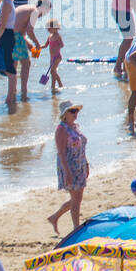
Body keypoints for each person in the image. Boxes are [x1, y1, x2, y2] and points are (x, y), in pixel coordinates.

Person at [50, 101, 88, 235]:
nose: (75, 114)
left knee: (77, 198)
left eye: (76, 111)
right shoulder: (61, 129)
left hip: (80, 164)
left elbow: (82, 146)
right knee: (76, 199)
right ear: (64, 114)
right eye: (72, 111)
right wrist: (67, 173)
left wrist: (86, 163)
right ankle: (76, 229)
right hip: (69, 166)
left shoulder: (75, 126)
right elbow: (61, 153)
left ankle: (55, 217)